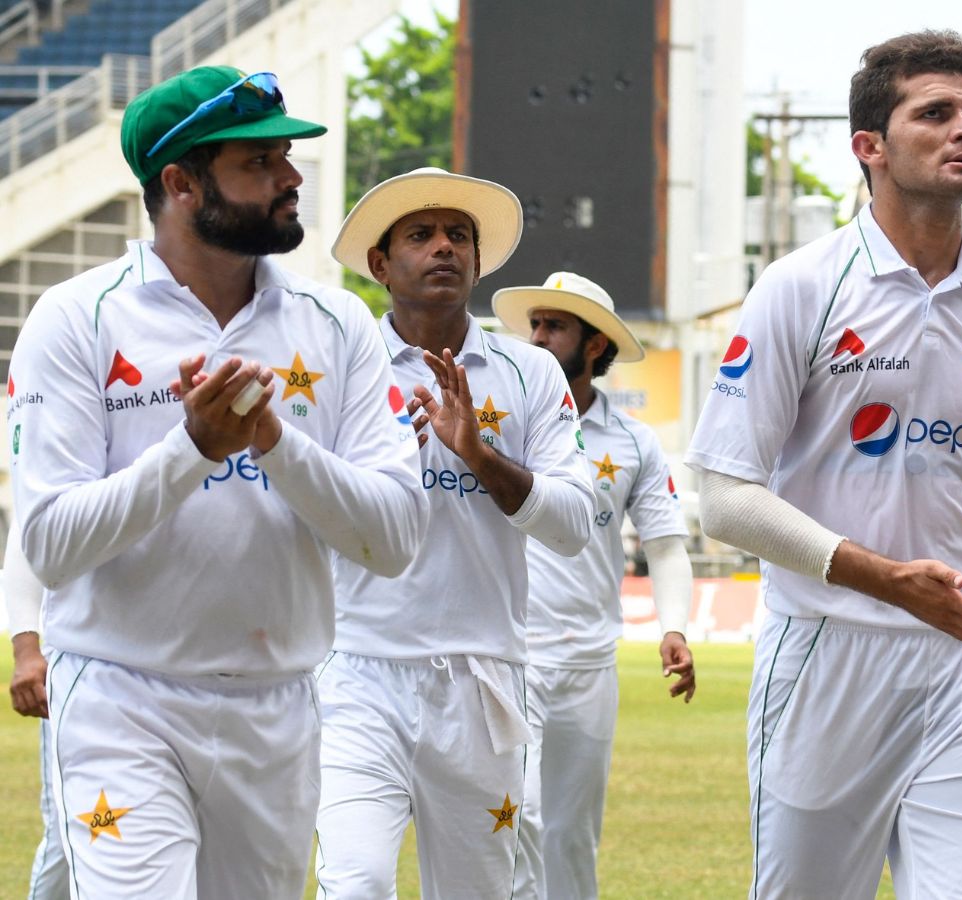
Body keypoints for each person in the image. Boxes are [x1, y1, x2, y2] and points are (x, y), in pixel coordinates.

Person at [685, 30, 962, 898]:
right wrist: (881, 577)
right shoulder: (800, 287)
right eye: (936, 113)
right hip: (825, 660)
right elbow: (725, 501)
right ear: (870, 148)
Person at [8, 66, 426, 897]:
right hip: (120, 696)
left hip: (278, 706)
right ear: (180, 183)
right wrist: (191, 448)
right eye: (260, 162)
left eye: (286, 158)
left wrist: (274, 441)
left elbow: (395, 539)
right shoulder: (77, 317)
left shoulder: (335, 322)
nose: (292, 178)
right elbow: (50, 546)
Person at [311, 168, 595, 898]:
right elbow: (299, 511)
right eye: (421, 234)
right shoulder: (337, 368)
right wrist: (384, 470)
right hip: (355, 671)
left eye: (459, 235)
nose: (445, 247)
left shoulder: (529, 373)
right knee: (357, 883)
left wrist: (480, 456)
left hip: (482, 680)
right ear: (379, 264)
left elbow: (572, 526)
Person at [495, 271, 697, 900]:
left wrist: (674, 627)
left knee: (571, 835)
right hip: (509, 655)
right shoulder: (503, 420)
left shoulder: (635, 441)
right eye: (534, 323)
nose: (537, 336)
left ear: (593, 345)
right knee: (516, 817)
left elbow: (664, 546)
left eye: (554, 326)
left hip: (589, 663)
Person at [6, 515, 67, 900]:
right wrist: (27, 648)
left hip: (237, 677)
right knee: (77, 829)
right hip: (94, 670)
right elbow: (28, 527)